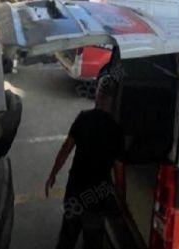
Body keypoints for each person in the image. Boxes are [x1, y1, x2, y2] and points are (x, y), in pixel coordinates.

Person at [45, 76, 124, 249]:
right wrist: (120, 200)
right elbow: (119, 171)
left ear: (98, 94)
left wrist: (53, 174)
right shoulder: (116, 130)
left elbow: (66, 149)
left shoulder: (83, 118)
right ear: (114, 100)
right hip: (97, 200)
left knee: (66, 240)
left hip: (75, 193)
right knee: (93, 242)